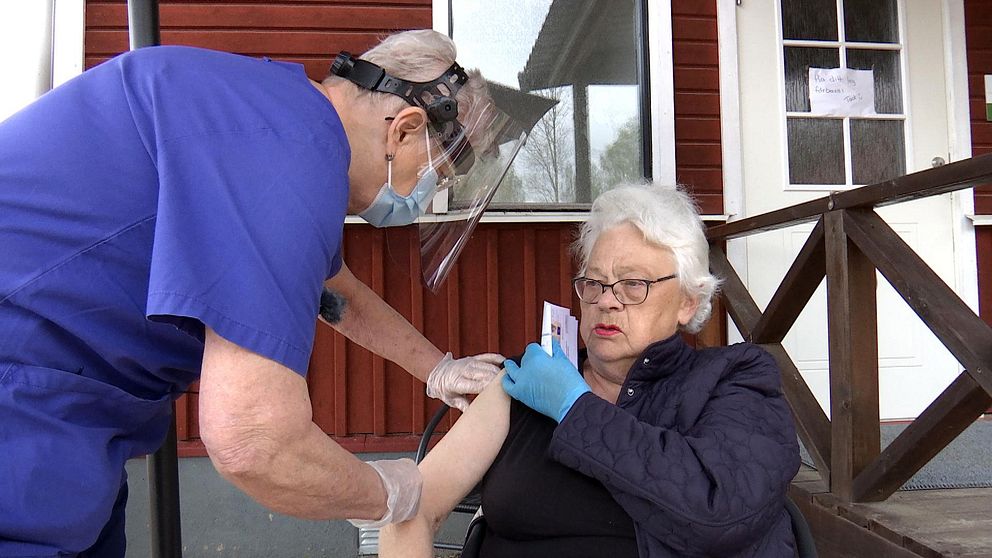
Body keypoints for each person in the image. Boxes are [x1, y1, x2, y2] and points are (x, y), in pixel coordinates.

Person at [0, 29, 524, 557]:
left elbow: (337, 295)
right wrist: (393, 495)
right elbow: (254, 443)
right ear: (404, 131)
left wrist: (438, 369)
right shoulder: (290, 154)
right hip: (21, 404)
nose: (424, 193)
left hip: (67, 411)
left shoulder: (277, 120)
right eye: (435, 175)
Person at [381, 183, 801, 557]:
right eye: (594, 283)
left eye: (633, 284)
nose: (607, 300)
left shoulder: (733, 379)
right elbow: (411, 508)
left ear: (688, 301)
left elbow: (722, 513)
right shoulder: (526, 385)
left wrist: (572, 407)